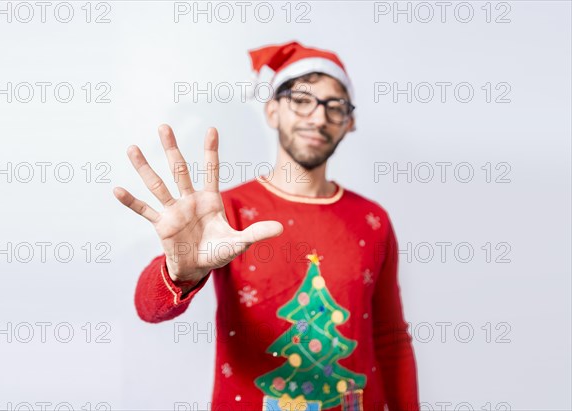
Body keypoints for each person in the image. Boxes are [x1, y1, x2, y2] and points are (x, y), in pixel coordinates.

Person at [113, 41, 420, 411]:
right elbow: (148, 308)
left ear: (349, 123)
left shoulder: (373, 220)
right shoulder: (225, 212)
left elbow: (390, 338)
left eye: (334, 107)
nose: (318, 118)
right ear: (273, 111)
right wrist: (179, 272)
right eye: (302, 101)